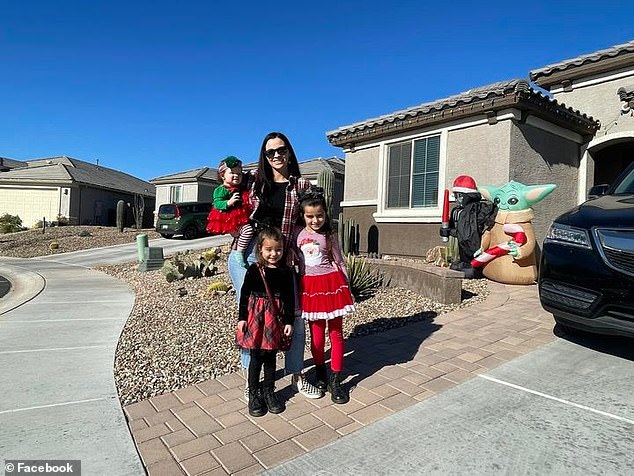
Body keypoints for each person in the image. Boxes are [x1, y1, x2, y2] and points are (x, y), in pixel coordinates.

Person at [227, 131, 323, 400]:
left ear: (289, 152)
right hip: (246, 256)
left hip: (284, 259)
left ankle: (296, 376)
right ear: (264, 157)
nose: (277, 155)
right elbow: (224, 193)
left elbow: (312, 222)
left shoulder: (302, 186)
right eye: (270, 152)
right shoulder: (253, 183)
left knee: (295, 315)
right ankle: (252, 382)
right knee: (251, 318)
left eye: (281, 150)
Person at [294, 187, 355, 404]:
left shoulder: (329, 235)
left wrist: (346, 285)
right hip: (310, 288)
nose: (315, 220)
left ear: (325, 214)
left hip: (331, 284)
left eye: (319, 215)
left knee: (336, 333)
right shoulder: (297, 235)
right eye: (310, 216)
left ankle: (336, 378)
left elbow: (338, 261)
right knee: (317, 336)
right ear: (303, 216)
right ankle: (320, 371)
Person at [236, 227, 294, 416]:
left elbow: (289, 298)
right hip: (256, 318)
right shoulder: (255, 270)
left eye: (277, 250)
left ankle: (269, 392)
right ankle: (254, 394)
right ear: (260, 249)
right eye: (269, 249)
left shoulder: (285, 271)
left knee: (270, 357)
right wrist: (242, 318)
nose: (273, 254)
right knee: (255, 357)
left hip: (274, 319)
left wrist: (288, 322)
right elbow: (244, 295)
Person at [206, 156, 254, 267]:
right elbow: (217, 203)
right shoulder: (220, 189)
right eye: (232, 173)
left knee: (240, 234)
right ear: (222, 175)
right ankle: (239, 252)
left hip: (240, 216)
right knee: (247, 231)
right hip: (229, 218)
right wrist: (228, 202)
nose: (236, 176)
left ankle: (236, 246)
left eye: (239, 174)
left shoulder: (240, 187)